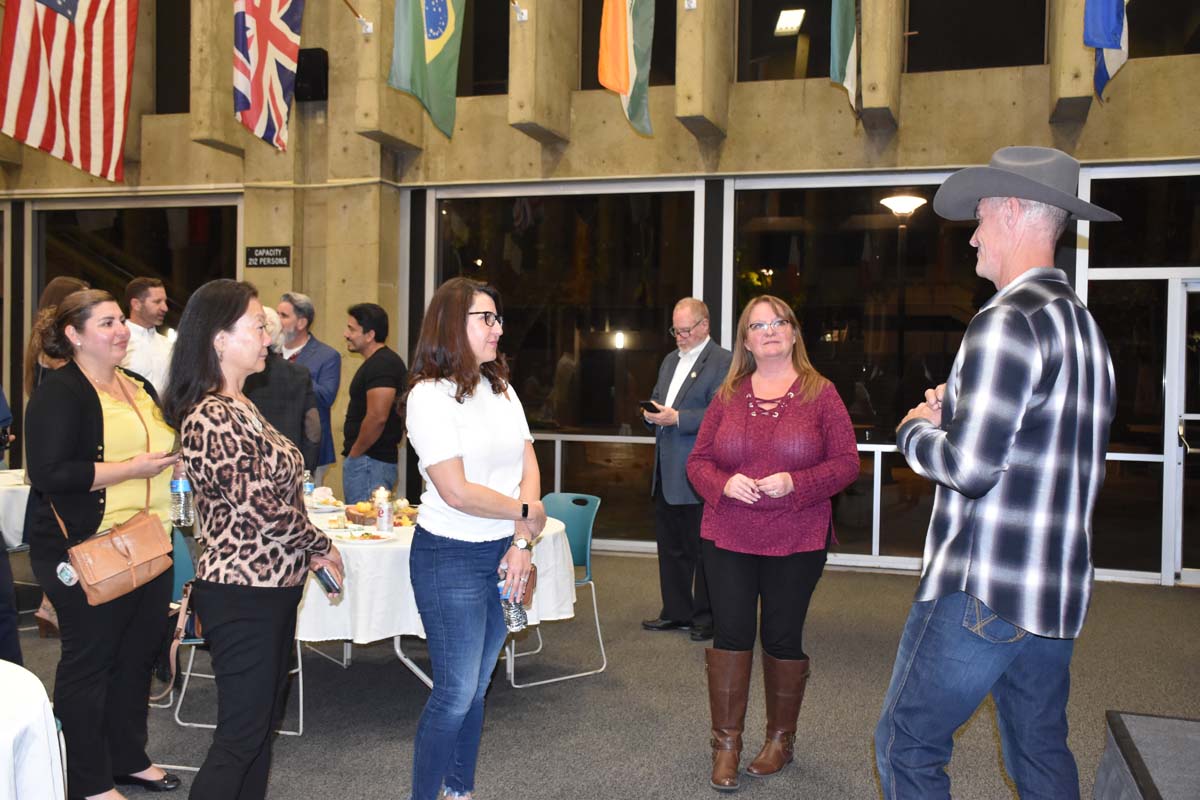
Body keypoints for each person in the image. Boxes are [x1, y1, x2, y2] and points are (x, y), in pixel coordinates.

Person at [873, 146, 1119, 800]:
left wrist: (914, 429)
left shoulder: (1005, 321)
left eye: (980, 218)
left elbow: (971, 468)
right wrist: (955, 408)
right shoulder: (1085, 331)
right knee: (1039, 755)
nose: (974, 236)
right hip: (1055, 594)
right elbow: (1035, 442)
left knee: (906, 744)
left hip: (983, 590)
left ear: (1012, 212)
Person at [162, 279, 343, 800]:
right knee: (241, 737)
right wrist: (318, 544)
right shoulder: (210, 414)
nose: (268, 336)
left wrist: (306, 548)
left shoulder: (240, 403)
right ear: (218, 339)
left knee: (260, 731)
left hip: (271, 587)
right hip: (242, 591)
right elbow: (260, 506)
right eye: (256, 327)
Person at [686, 295, 859, 791]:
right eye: (758, 325)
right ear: (745, 340)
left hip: (798, 536)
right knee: (732, 635)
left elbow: (847, 462)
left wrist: (797, 483)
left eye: (778, 322)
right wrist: (722, 484)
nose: (769, 331)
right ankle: (727, 745)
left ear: (793, 332)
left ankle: (780, 742)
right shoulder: (728, 394)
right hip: (728, 534)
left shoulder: (821, 393)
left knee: (782, 637)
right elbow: (697, 462)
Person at [24, 289, 182, 800]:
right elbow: (49, 473)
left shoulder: (136, 384)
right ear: (74, 335)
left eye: (120, 321)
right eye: (107, 323)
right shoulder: (61, 392)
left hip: (150, 544)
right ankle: (87, 778)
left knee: (137, 657)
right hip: (88, 549)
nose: (120, 331)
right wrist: (132, 469)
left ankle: (128, 757)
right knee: (90, 662)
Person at [404, 277, 545, 800]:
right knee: (456, 691)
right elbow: (457, 492)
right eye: (485, 318)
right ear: (450, 325)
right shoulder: (427, 395)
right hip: (450, 556)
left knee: (478, 688)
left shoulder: (501, 387)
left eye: (498, 317)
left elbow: (528, 461)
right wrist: (528, 513)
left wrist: (522, 540)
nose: (498, 328)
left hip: (505, 550)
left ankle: (458, 789)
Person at [641, 298, 732, 641]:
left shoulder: (723, 362)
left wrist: (677, 418)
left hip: (699, 472)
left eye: (685, 330)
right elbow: (657, 397)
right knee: (671, 548)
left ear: (704, 326)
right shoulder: (669, 361)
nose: (679, 336)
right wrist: (651, 414)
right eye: (675, 330)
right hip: (665, 472)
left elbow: (720, 414)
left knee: (702, 550)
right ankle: (676, 612)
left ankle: (705, 618)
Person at [23, 275, 90, 639]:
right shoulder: (59, 356)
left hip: (49, 455)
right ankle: (53, 604)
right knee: (65, 535)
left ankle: (50, 605)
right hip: (60, 455)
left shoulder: (39, 346)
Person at [342, 302, 407, 503]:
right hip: (368, 461)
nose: (346, 334)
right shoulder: (377, 363)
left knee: (365, 529)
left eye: (352, 329)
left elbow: (378, 417)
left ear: (370, 335)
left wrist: (356, 453)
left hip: (370, 463)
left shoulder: (383, 364)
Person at [245, 306, 321, 470]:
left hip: (250, 464)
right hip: (289, 462)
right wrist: (307, 467)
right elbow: (313, 426)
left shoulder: (241, 373)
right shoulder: (300, 373)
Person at [277, 292, 341, 486]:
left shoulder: (327, 356)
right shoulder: (268, 353)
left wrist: (293, 371)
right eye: (277, 314)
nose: (277, 321)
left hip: (310, 450)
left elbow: (326, 396)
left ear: (302, 323)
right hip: (273, 449)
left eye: (284, 316)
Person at [122, 277, 173, 395]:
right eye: (157, 302)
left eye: (165, 301)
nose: (165, 308)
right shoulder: (117, 342)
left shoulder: (168, 345)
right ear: (136, 304)